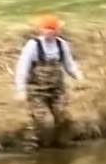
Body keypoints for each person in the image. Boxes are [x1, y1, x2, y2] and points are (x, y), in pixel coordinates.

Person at [14, 14, 84, 151]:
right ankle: (29, 146)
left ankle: (62, 143)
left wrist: (78, 77)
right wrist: (20, 90)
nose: (49, 32)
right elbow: (22, 68)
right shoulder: (32, 46)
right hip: (37, 90)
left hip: (57, 89)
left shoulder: (62, 45)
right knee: (39, 118)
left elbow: (69, 64)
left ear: (57, 30)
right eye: (47, 29)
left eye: (52, 29)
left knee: (62, 115)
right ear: (41, 30)